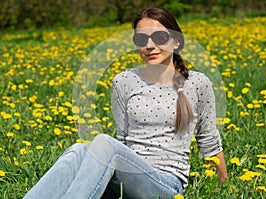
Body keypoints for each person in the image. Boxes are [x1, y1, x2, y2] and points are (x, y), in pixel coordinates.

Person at [23, 6, 228, 199]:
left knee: (102, 142)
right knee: (79, 149)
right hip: (127, 176)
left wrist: (223, 189)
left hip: (167, 184)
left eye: (159, 37)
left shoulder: (198, 83)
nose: (149, 45)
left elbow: (209, 141)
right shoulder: (124, 81)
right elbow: (121, 141)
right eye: (141, 39)